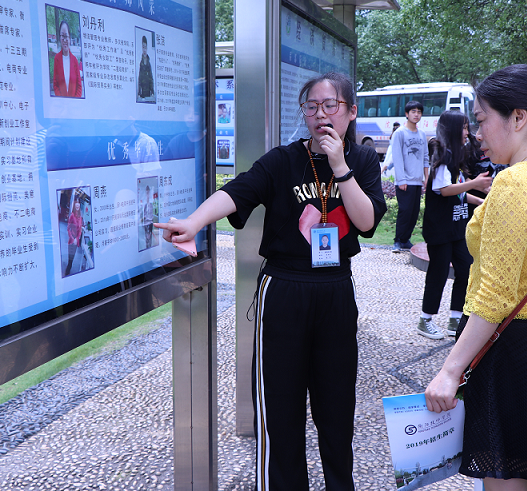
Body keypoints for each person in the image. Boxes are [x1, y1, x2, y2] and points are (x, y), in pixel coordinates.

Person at [155, 71, 386, 491]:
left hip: (336, 289)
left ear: (351, 111)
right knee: (280, 409)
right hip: (283, 288)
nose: (320, 115)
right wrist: (194, 222)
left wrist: (340, 166)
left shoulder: (364, 160)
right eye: (311, 107)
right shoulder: (283, 160)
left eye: (330, 105)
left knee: (337, 408)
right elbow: (238, 191)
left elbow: (367, 222)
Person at [425, 64, 527, 489]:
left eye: (482, 120)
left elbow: (493, 296)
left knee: (505, 479)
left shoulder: (515, 183)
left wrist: (450, 370)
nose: (477, 133)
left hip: (502, 348)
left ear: (518, 118)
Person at [416, 110, 492, 340]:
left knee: (466, 269)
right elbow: (443, 190)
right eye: (464, 128)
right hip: (440, 228)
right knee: (438, 273)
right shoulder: (443, 156)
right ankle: (425, 319)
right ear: (452, 129)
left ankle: (455, 318)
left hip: (456, 226)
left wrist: (480, 200)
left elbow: (456, 191)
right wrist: (474, 183)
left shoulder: (454, 156)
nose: (468, 132)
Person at [390, 101, 429, 253]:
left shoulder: (422, 134)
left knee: (413, 213)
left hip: (417, 181)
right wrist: (401, 180)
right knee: (405, 211)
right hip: (404, 181)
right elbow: (397, 157)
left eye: (419, 112)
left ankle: (405, 240)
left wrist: (426, 178)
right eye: (413, 111)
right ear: (407, 114)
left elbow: (425, 157)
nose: (416, 114)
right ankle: (397, 241)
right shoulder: (400, 133)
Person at [53, 20, 82, 98]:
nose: (64, 40)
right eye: (62, 36)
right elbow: (55, 85)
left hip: (74, 104)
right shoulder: (57, 59)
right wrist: (62, 101)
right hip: (61, 104)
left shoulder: (75, 60)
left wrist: (74, 101)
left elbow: (79, 86)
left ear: (69, 38)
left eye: (66, 36)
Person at [65, 197, 83, 276]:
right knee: (70, 257)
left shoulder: (80, 217)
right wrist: (72, 238)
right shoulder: (72, 215)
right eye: (76, 204)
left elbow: (80, 230)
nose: (77, 205)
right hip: (71, 239)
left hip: (76, 241)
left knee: (72, 258)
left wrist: (77, 238)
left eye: (78, 204)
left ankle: (69, 269)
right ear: (74, 205)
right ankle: (67, 271)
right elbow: (68, 228)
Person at [138, 35, 155, 100]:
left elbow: (151, 78)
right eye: (143, 47)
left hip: (148, 93)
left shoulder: (149, 63)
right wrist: (139, 92)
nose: (144, 49)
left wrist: (152, 91)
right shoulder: (140, 62)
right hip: (142, 94)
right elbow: (139, 79)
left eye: (145, 47)